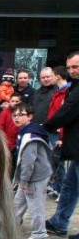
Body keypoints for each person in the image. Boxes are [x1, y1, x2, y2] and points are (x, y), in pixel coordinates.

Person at [44, 52, 79, 239]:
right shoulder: (74, 87)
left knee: (71, 187)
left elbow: (68, 111)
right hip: (75, 149)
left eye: (76, 67)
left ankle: (59, 222)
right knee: (69, 187)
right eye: (70, 67)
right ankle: (59, 222)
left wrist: (46, 127)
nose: (72, 71)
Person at [12, 103, 52, 239]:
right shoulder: (26, 131)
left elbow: (28, 162)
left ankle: (39, 237)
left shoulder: (29, 135)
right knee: (17, 204)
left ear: (29, 117)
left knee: (36, 207)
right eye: (14, 115)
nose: (16, 118)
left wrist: (23, 181)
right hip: (32, 177)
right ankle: (10, 229)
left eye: (21, 115)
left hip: (34, 178)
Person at [46, 65, 71, 198]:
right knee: (54, 162)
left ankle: (62, 190)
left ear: (58, 76)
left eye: (52, 75)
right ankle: (56, 187)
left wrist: (62, 137)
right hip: (53, 132)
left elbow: (64, 116)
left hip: (59, 134)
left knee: (59, 163)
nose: (50, 78)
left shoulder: (67, 93)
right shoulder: (58, 92)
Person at [0, 94, 22, 173]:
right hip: (8, 144)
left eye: (17, 101)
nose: (14, 103)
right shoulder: (4, 113)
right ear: (9, 102)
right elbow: (0, 128)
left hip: (18, 144)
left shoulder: (23, 114)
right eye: (12, 101)